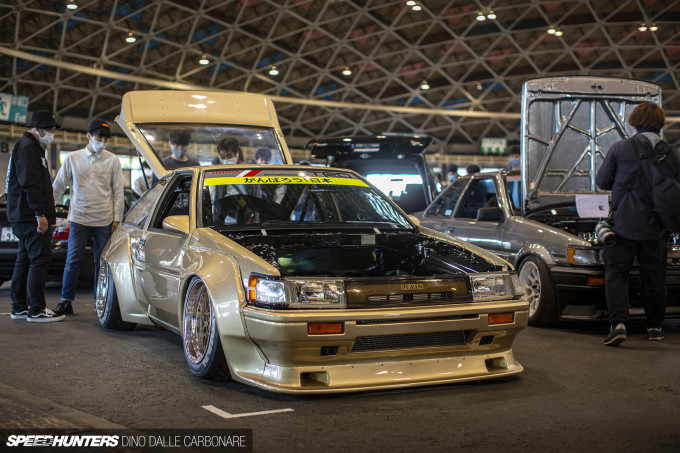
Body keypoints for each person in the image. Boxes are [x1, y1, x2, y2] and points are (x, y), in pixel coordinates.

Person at [596, 102, 680, 345]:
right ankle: (655, 327)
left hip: (623, 225)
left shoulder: (620, 148)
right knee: (655, 278)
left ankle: (619, 324)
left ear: (634, 124)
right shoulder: (672, 154)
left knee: (617, 274)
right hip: (656, 227)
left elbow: (602, 182)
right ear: (661, 124)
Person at [51, 118, 124, 316]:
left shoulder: (113, 160)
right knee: (72, 260)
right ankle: (66, 301)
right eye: (99, 137)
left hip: (104, 220)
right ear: (89, 136)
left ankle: (100, 301)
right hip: (78, 219)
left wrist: (117, 218)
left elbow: (118, 192)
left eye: (106, 139)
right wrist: (47, 210)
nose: (103, 141)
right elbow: (58, 186)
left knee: (102, 263)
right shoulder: (73, 158)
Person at [7, 110, 64, 322]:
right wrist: (39, 213)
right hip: (30, 216)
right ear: (37, 129)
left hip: (25, 215)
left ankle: (19, 306)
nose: (52, 133)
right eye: (49, 129)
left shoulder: (31, 147)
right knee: (39, 260)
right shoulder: (28, 147)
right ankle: (36, 309)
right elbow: (30, 183)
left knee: (24, 260)